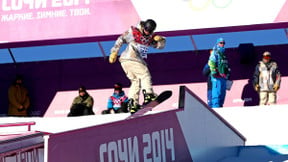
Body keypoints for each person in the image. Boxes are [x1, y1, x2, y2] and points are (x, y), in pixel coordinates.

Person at [109, 19, 166, 114]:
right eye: (146, 30)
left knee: (135, 81)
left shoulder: (151, 37)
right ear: (143, 27)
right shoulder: (134, 32)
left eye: (149, 31)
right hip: (131, 57)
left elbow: (159, 47)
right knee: (145, 74)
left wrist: (161, 40)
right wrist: (114, 52)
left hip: (126, 62)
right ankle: (148, 94)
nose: (147, 33)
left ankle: (132, 104)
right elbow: (121, 39)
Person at [208, 38, 230, 108]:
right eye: (221, 43)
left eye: (223, 43)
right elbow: (211, 62)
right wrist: (214, 72)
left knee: (222, 94)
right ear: (217, 43)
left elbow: (225, 65)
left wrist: (228, 72)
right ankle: (216, 109)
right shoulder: (215, 52)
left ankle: (221, 107)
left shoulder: (223, 54)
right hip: (217, 77)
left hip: (223, 77)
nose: (222, 44)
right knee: (216, 94)